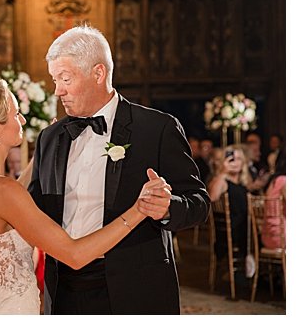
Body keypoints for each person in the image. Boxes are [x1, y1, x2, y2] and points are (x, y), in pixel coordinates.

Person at [0, 80, 168, 314]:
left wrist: (41, 154)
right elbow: (74, 254)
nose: (22, 120)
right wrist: (138, 210)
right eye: (16, 114)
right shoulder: (2, 190)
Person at [27, 25, 208, 314]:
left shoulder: (156, 128)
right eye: (54, 79)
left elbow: (199, 203)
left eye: (65, 78)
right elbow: (31, 213)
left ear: (98, 74)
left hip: (134, 286)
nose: (57, 90)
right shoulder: (51, 138)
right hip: (63, 289)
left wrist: (167, 208)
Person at [208, 146, 252, 278]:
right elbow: (212, 197)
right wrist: (223, 172)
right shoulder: (222, 180)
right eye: (232, 159)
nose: (236, 162)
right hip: (232, 230)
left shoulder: (244, 181)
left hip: (245, 226)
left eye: (239, 159)